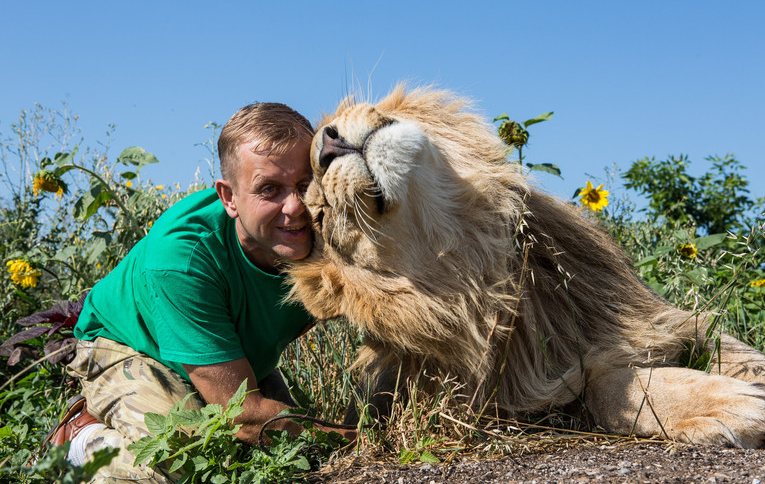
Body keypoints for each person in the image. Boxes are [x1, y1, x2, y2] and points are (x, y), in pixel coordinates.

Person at [42, 102, 354, 483]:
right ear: (229, 197)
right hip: (131, 347)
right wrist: (353, 438)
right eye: (269, 189)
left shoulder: (332, 234)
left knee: (290, 463)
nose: (295, 207)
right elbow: (244, 416)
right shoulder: (182, 257)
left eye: (305, 185)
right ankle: (82, 443)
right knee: (184, 466)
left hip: (228, 356)